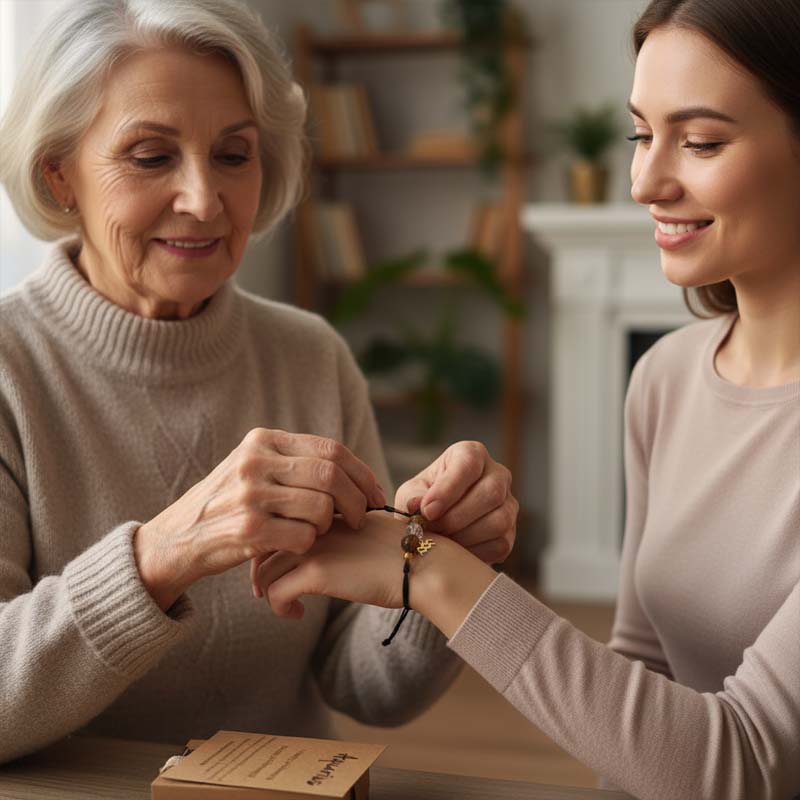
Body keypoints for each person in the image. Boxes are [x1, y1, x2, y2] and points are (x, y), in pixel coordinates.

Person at [253, 1, 800, 797]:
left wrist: (433, 574)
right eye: (641, 134)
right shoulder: (667, 381)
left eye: (703, 141)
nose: (646, 180)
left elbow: (739, 765)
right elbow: (643, 673)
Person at [0, 0, 519, 765]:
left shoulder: (310, 356)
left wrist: (435, 564)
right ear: (60, 173)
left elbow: (366, 688)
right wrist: (161, 556)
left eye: (234, 154)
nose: (205, 200)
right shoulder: (12, 368)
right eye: (151, 156)